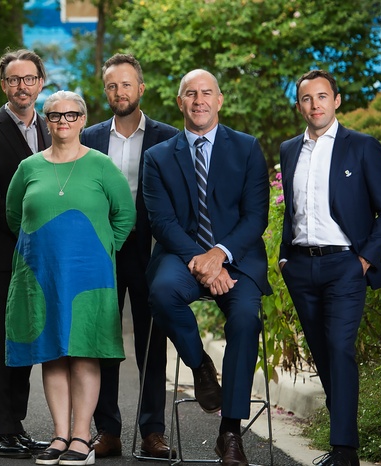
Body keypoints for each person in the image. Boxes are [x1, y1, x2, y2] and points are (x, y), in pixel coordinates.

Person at [142, 69, 271, 466]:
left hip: (237, 258)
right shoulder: (158, 157)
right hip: (180, 256)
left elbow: (256, 216)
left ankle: (230, 432)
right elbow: (161, 221)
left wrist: (220, 256)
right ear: (180, 102)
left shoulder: (247, 148)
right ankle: (200, 366)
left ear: (219, 100)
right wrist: (201, 261)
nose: (199, 100)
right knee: (162, 292)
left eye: (206, 93)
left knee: (246, 318)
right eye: (190, 94)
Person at [6, 90, 136, 466]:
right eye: (55, 115)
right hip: (41, 274)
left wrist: (102, 250)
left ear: (82, 119)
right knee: (52, 354)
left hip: (89, 276)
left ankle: (82, 437)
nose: (62, 121)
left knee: (83, 352)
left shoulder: (101, 166)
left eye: (70, 115)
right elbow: (15, 216)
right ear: (46, 122)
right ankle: (59, 435)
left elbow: (124, 216)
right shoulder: (28, 167)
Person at [278, 70, 381, 466]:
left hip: (345, 266)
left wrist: (364, 259)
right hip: (301, 267)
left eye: (322, 97)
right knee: (322, 353)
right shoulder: (289, 150)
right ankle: (341, 440)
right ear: (299, 105)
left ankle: (344, 450)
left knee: (339, 348)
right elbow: (291, 212)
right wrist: (284, 258)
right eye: (307, 99)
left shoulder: (362, 147)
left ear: (336, 100)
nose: (315, 105)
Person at [80, 53, 178, 459]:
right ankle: (108, 430)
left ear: (141, 88)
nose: (119, 92)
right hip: (101, 249)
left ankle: (152, 431)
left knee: (151, 344)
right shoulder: (89, 138)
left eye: (126, 84)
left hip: (149, 250)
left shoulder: (168, 138)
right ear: (106, 92)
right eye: (111, 86)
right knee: (102, 339)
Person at [0, 48, 50, 459]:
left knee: (25, 341)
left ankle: (17, 425)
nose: (21, 86)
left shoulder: (53, 126)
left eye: (29, 79)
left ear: (40, 82)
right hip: (1, 255)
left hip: (43, 259)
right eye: (13, 80)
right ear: (3, 85)